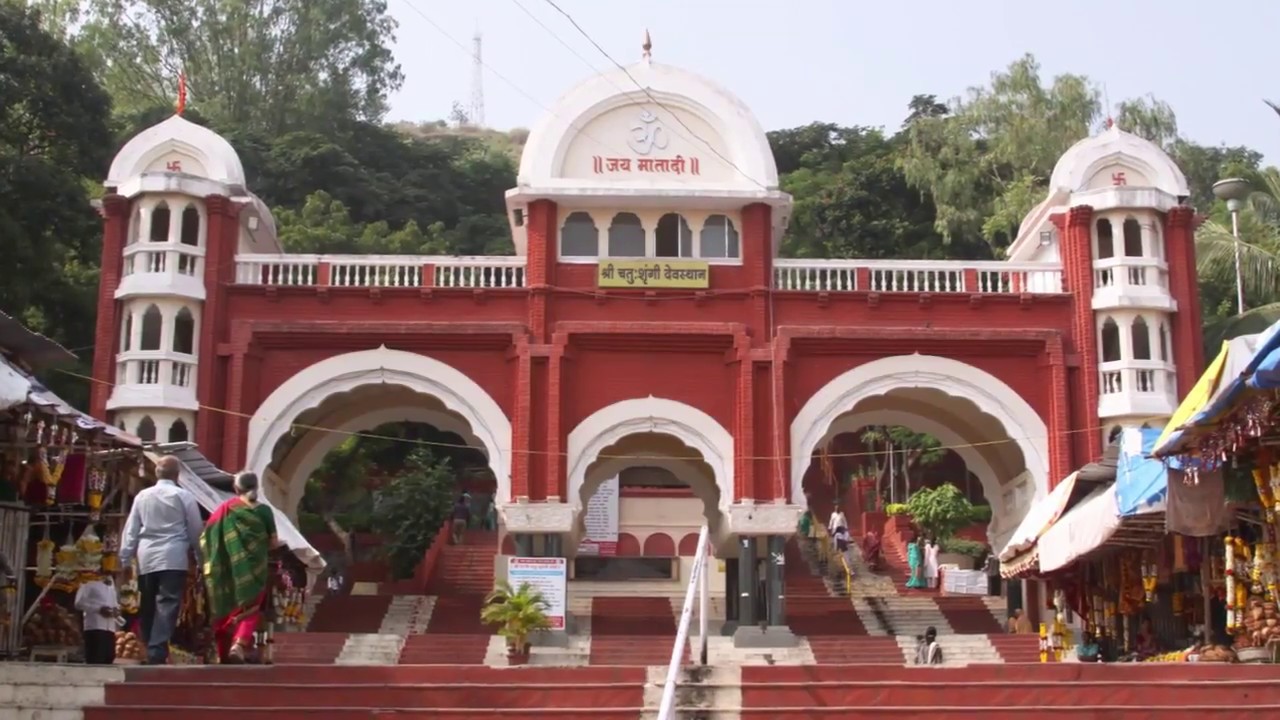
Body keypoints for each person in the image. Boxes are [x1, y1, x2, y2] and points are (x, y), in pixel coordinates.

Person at [118, 455, 203, 665]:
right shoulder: (184, 496)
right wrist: (201, 559)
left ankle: (151, 646)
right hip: (173, 557)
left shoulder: (142, 496)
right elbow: (196, 531)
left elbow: (131, 530)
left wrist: (125, 557)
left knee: (147, 603)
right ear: (177, 475)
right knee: (167, 603)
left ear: (157, 474)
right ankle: (156, 650)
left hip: (146, 557)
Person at [200, 471, 279, 664]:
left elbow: (208, 536)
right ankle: (239, 644)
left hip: (228, 568)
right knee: (250, 606)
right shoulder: (265, 511)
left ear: (236, 489)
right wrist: (257, 548)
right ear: (257, 487)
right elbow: (274, 542)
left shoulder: (226, 509)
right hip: (256, 569)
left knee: (225, 606)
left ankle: (223, 652)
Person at [75, 574, 119, 665]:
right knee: (96, 660)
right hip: (95, 627)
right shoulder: (88, 579)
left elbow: (114, 602)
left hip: (110, 628)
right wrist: (98, 609)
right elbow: (78, 603)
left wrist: (116, 609)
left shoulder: (110, 580)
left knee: (109, 658)